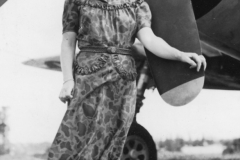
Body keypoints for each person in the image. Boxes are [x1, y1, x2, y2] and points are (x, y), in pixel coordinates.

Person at [47, 0, 206, 159]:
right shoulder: (77, 2)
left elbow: (150, 41)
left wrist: (180, 55)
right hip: (89, 79)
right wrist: (67, 81)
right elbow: (68, 41)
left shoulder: (137, 4)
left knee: (113, 144)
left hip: (123, 83)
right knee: (78, 139)